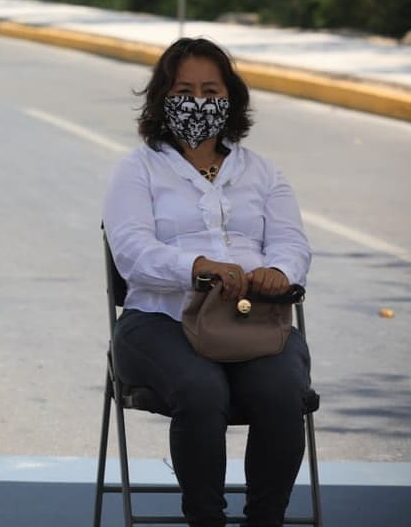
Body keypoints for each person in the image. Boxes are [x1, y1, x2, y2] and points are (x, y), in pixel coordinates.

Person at [102, 37, 313, 527]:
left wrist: (278, 273)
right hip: (159, 320)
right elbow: (130, 251)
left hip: (252, 321)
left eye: (210, 89)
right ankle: (206, 520)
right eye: (184, 89)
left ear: (231, 98)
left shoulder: (263, 171)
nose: (197, 101)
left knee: (283, 392)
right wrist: (200, 268)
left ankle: (266, 520)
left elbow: (291, 242)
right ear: (161, 97)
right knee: (201, 390)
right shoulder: (137, 169)